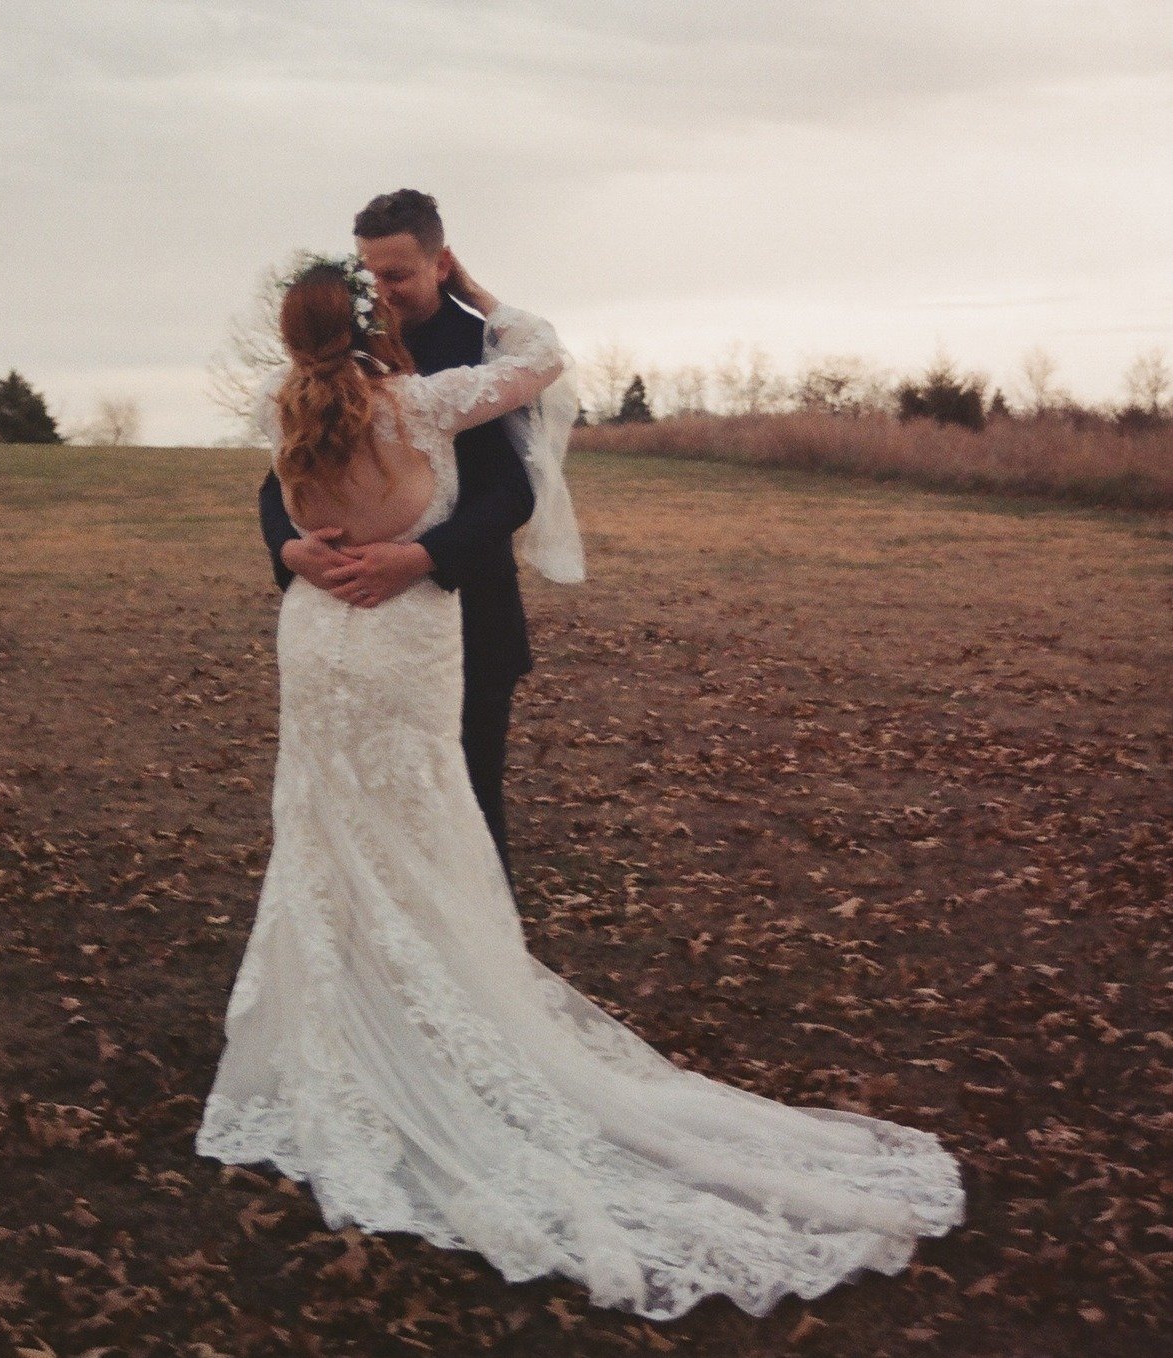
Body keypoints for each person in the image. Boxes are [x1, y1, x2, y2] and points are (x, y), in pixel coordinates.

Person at [196, 252, 965, 1322]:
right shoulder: (420, 402)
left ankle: (352, 1031)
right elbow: (547, 354)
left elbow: (286, 504)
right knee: (422, 820)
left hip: (321, 639)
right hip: (401, 641)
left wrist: (298, 546)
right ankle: (429, 1023)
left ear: (290, 340)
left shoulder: (288, 410)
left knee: (331, 830)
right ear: (367, 321)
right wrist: (470, 281)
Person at [257, 190, 540, 887]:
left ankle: (474, 961)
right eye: (368, 275)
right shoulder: (323, 360)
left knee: (464, 804)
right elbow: (275, 483)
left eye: (397, 276)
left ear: (440, 265)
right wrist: (288, 551)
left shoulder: (479, 349)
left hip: (463, 612)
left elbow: (512, 489)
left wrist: (423, 557)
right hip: (341, 621)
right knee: (347, 805)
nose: (380, 292)